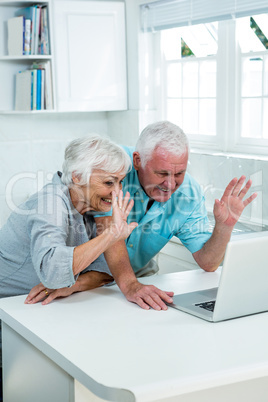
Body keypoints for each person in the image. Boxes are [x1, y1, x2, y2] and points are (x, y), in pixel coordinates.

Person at [27, 121, 256, 311]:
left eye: (179, 173)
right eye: (161, 173)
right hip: (93, 282)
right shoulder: (113, 167)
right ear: (137, 160)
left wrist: (224, 226)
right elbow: (109, 234)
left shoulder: (189, 193)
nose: (170, 183)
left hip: (116, 282)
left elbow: (208, 262)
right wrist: (130, 286)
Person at [0, 134, 140, 397]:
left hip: (37, 311)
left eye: (120, 182)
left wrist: (74, 284)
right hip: (8, 315)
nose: (117, 192)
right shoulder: (50, 202)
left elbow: (103, 271)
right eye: (109, 182)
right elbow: (54, 273)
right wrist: (110, 235)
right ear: (77, 177)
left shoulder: (87, 206)